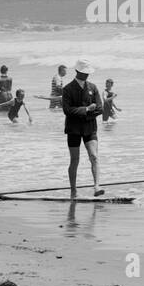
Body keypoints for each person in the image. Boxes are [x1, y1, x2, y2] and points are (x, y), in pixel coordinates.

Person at [62, 60, 103, 198]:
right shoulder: (67, 89)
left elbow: (100, 108)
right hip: (73, 129)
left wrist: (86, 113)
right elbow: (67, 111)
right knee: (75, 160)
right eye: (84, 72)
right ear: (78, 71)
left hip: (90, 127)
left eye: (88, 73)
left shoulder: (93, 87)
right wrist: (86, 109)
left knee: (94, 157)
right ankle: (73, 190)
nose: (87, 75)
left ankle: (97, 186)